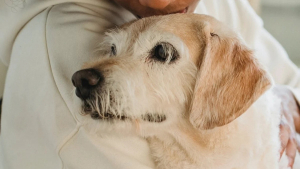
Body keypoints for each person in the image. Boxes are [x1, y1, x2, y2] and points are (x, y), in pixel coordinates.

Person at [0, 0, 299, 168]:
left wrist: (285, 99)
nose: (170, 2)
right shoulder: (66, 35)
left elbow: (288, 79)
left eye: (161, 53)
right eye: (163, 52)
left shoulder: (220, 7)